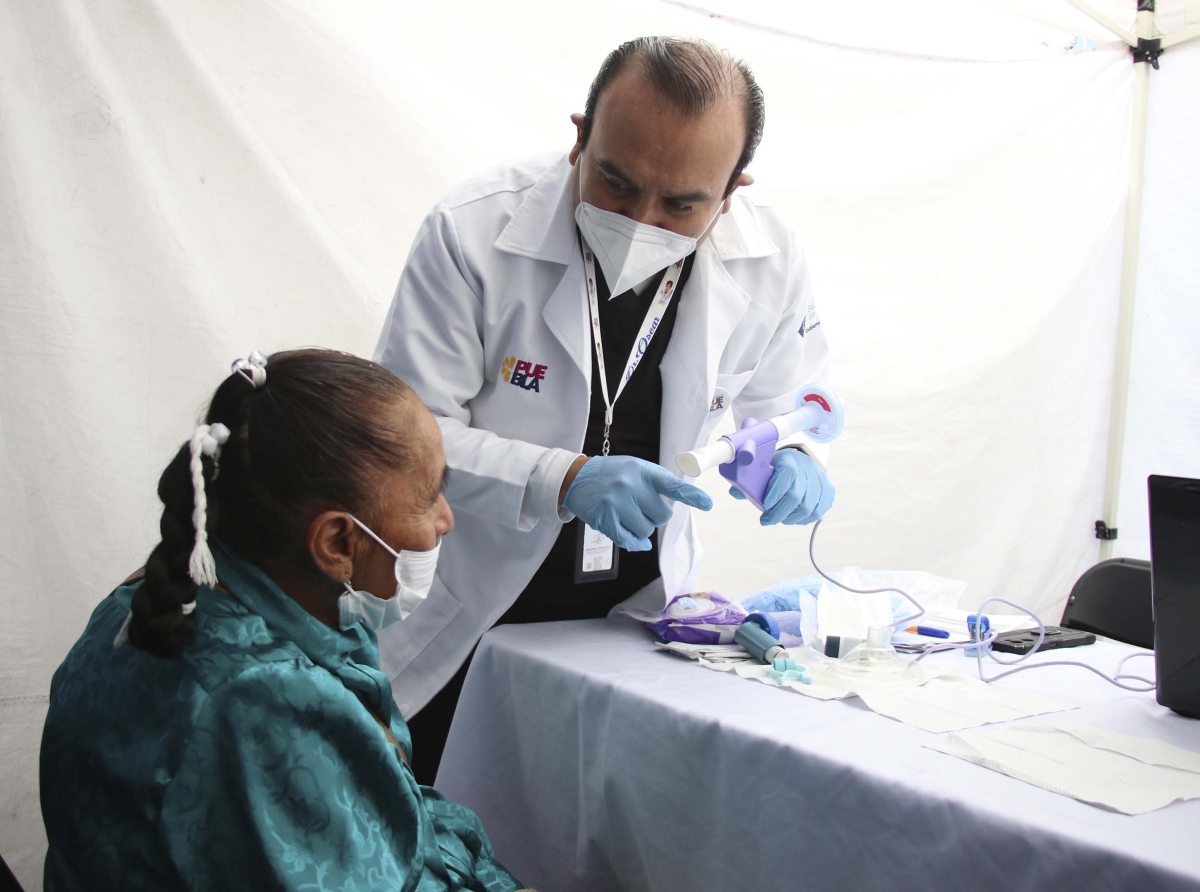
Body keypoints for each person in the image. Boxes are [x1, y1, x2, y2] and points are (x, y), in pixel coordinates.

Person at [376, 36, 835, 783]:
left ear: (733, 190)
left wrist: (796, 453)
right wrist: (562, 479)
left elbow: (792, 399)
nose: (642, 218)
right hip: (472, 606)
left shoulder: (771, 256)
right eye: (615, 182)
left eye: (683, 203)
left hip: (634, 618)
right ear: (579, 136)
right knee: (434, 810)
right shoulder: (472, 232)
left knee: (594, 826)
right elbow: (404, 440)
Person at [39, 349, 527, 892]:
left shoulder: (162, 594)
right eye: (430, 495)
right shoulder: (263, 701)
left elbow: (394, 808)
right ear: (338, 542)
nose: (446, 518)